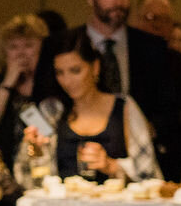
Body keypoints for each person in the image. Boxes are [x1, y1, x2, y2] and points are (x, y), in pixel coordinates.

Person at [37, 0, 180, 178]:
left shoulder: (152, 47)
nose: (119, 1)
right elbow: (45, 101)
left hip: (135, 170)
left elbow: (169, 111)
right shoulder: (58, 45)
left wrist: (138, 127)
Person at [33, 34, 140, 180]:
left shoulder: (124, 107)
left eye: (75, 70)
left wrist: (112, 166)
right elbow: (35, 177)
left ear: (95, 67)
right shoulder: (51, 110)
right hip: (64, 201)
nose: (67, 81)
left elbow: (148, 171)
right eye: (60, 73)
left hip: (113, 201)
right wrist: (35, 150)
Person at [136, 0, 181, 168]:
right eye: (151, 17)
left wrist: (160, 124)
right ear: (136, 20)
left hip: (175, 155)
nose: (157, 25)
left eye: (165, 19)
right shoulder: (126, 61)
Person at [0, 14, 47, 172]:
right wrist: (8, 83)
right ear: (4, 52)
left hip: (44, 167)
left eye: (28, 45)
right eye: (13, 47)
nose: (21, 53)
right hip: (2, 170)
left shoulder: (52, 82)